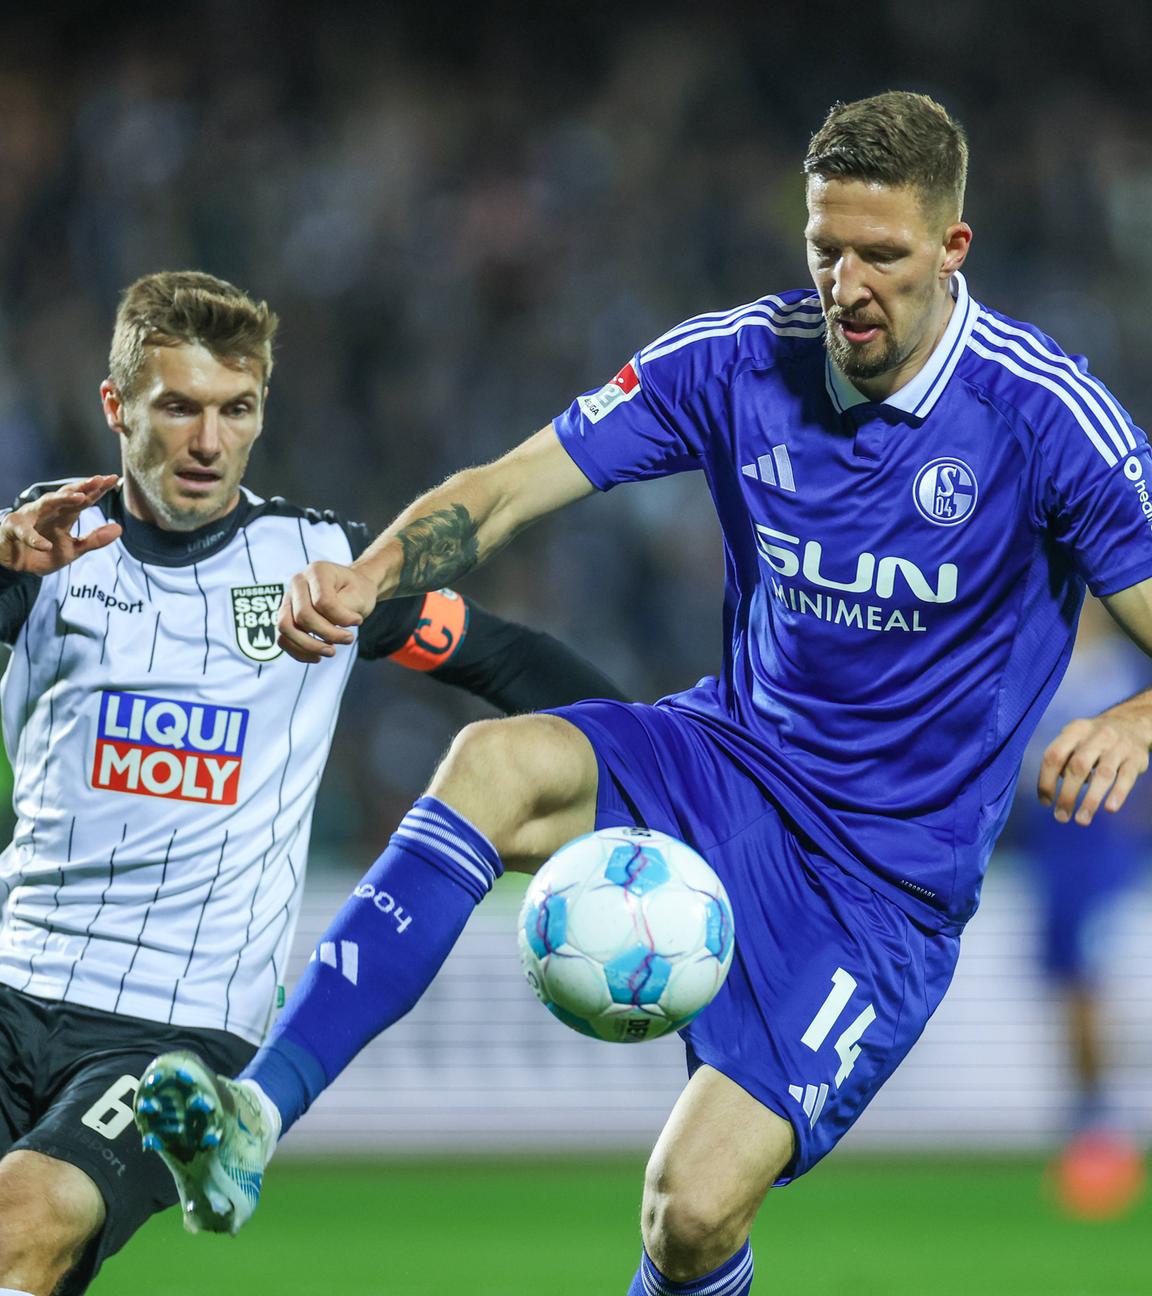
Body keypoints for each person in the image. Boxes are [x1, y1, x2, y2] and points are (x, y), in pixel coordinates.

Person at [139, 91, 1152, 1296]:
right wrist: (372, 575)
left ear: (952, 248)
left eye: (881, 255)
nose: (846, 284)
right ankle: (256, 1115)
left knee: (691, 1213)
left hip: (883, 884)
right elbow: (509, 488)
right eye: (825, 248)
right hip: (728, 761)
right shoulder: (734, 361)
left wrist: (1136, 715)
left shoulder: (1046, 419)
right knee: (496, 765)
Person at [0, 270, 627, 1296]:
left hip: (173, 1037)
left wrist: (658, 765)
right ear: (115, 408)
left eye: (235, 410)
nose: (209, 441)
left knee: (27, 1215)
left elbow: (508, 661)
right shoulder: (41, 549)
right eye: (179, 408)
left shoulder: (321, 569)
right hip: (12, 980)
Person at [1012, 596, 1150, 1217]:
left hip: (1108, 853)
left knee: (1089, 985)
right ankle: (1089, 1118)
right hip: (1053, 853)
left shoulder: (1125, 669)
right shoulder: (1041, 660)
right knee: (1066, 986)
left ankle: (1102, 1126)